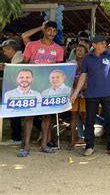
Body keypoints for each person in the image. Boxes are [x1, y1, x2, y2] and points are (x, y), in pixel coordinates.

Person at [71, 28, 110, 157]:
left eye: (104, 43)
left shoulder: (109, 55)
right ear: (94, 45)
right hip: (91, 94)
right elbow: (83, 76)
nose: (104, 45)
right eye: (101, 43)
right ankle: (89, 146)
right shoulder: (87, 58)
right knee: (89, 121)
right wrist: (75, 93)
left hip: (108, 94)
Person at [18, 21, 64, 157]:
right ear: (44, 30)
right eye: (49, 30)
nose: (51, 33)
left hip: (49, 87)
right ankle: (25, 146)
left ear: (56, 33)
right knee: (29, 115)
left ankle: (44, 144)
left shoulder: (59, 49)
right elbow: (24, 64)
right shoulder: (32, 45)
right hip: (32, 86)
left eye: (54, 31)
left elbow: (59, 69)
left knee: (46, 115)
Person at [0, 39, 24, 146]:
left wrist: (7, 67)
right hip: (19, 89)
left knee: (15, 112)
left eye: (6, 50)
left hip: (19, 90)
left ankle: (16, 137)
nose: (4, 53)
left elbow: (16, 70)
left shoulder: (19, 57)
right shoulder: (16, 57)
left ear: (11, 49)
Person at [68, 45, 87, 148]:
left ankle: (86, 139)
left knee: (85, 116)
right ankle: (72, 140)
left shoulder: (88, 63)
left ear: (85, 52)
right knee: (73, 116)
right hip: (73, 91)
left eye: (82, 50)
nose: (79, 52)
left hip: (85, 92)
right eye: (78, 50)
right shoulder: (70, 63)